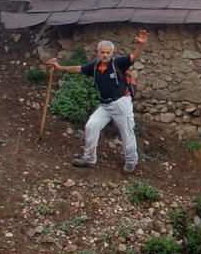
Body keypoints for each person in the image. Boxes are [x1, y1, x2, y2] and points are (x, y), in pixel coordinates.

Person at [48, 29, 149, 174]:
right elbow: (78, 69)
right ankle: (89, 158)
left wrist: (141, 45)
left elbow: (134, 56)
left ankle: (131, 162)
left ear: (111, 53)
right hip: (105, 105)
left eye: (108, 52)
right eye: (103, 52)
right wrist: (60, 67)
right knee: (91, 126)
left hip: (121, 104)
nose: (105, 55)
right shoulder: (95, 66)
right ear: (98, 53)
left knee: (127, 133)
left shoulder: (117, 63)